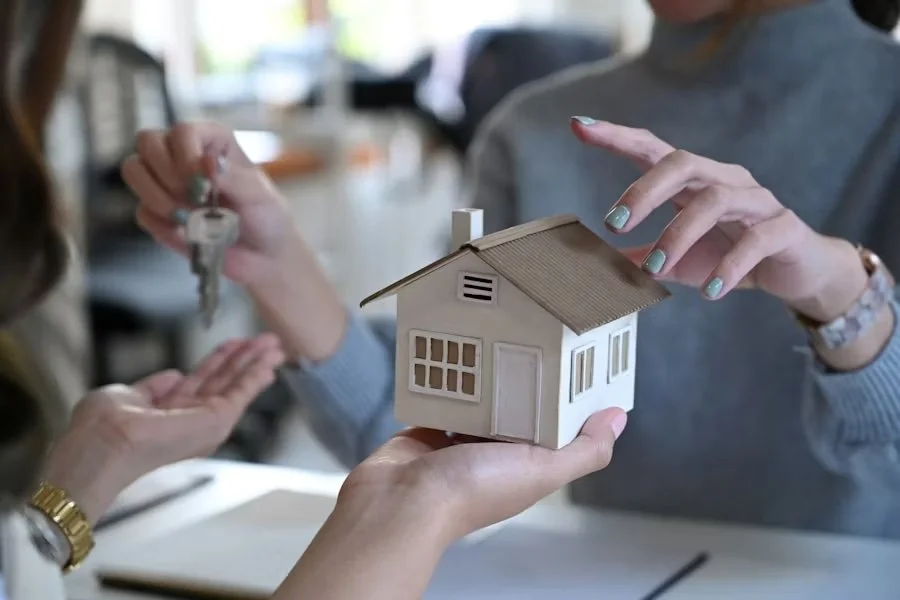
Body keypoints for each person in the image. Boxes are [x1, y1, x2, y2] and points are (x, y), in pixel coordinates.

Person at [126, 0, 900, 540]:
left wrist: (846, 299)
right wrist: (276, 260)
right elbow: (427, 434)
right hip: (600, 574)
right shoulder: (534, 131)